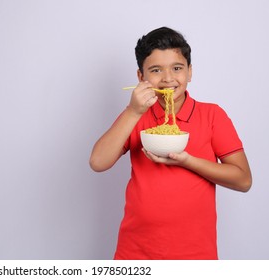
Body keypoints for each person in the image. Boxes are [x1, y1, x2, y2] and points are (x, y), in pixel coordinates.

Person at [89, 27, 252, 260]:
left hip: (195, 255)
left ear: (190, 71)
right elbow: (98, 162)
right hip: (135, 253)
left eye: (177, 68)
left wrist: (187, 161)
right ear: (140, 77)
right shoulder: (137, 114)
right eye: (155, 70)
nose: (167, 78)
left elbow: (243, 180)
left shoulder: (212, 116)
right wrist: (133, 111)